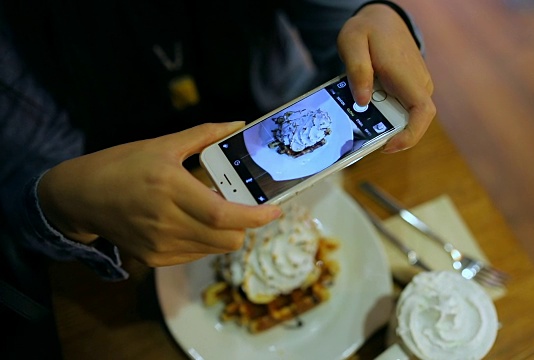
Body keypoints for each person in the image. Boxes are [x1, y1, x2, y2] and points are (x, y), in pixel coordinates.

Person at [0, 0, 435, 357]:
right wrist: (67, 200)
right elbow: (23, 189)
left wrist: (378, 15)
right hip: (119, 235)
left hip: (278, 136)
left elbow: (344, 22)